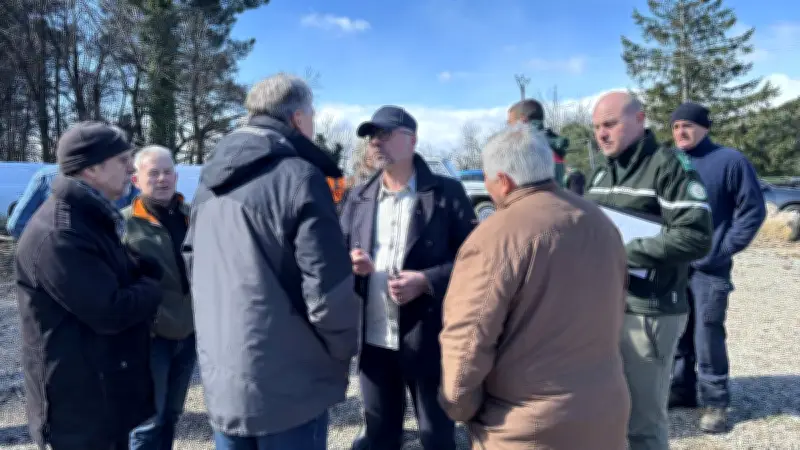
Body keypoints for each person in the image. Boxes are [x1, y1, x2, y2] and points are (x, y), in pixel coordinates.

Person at [182, 73, 360, 450]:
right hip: (290, 383)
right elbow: (327, 290)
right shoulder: (299, 176)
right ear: (297, 118)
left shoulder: (207, 185)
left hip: (224, 377)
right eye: (312, 115)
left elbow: (193, 264)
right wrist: (343, 347)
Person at [438, 124, 631, 449]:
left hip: (526, 426)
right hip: (605, 411)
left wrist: (460, 405)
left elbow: (468, 337)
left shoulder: (496, 236)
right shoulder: (598, 220)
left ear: (503, 181)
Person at [15, 121, 163, 449]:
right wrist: (154, 286)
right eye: (123, 160)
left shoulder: (90, 218)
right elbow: (110, 311)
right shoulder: (60, 234)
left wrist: (138, 270)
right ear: (92, 169)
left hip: (102, 396)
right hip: (78, 411)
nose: (131, 169)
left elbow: (113, 275)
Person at [340, 105, 477, 450]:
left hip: (427, 337)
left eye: (385, 134)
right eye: (372, 136)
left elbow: (474, 260)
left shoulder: (446, 194)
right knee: (380, 437)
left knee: (436, 437)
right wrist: (352, 263)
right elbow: (337, 252)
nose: (375, 142)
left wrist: (427, 280)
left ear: (412, 140)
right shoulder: (358, 196)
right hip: (374, 338)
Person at [584, 92, 713, 450]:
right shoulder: (601, 171)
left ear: (640, 120)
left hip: (648, 312)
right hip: (604, 308)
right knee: (607, 413)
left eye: (610, 124)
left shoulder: (668, 166)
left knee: (643, 422)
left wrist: (622, 254)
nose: (602, 134)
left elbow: (696, 237)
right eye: (597, 127)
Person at [668, 102, 766, 433]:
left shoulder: (730, 161)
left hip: (710, 269)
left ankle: (715, 401)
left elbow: (752, 210)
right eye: (676, 126)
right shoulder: (669, 162)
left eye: (688, 125)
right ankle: (681, 390)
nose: (681, 131)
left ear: (705, 127)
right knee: (678, 330)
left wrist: (723, 248)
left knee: (707, 332)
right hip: (674, 265)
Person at [124, 145, 197, 449]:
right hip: (150, 339)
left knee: (171, 414)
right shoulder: (124, 224)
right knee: (146, 421)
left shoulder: (193, 217)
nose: (162, 179)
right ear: (136, 180)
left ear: (176, 177)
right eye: (153, 173)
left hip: (189, 334)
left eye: (167, 172)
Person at [6, 128, 140, 239]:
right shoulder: (128, 183)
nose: (131, 168)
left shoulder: (44, 177)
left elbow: (17, 224)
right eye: (122, 160)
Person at [507, 99, 570, 187]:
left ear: (523, 120)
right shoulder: (552, 145)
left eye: (510, 123)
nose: (509, 128)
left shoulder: (525, 147)